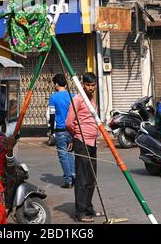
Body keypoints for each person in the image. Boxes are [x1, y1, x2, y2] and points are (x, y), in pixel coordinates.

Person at [66, 72, 103, 223]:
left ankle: (88, 207)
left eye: (93, 85)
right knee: (82, 179)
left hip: (93, 142)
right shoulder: (77, 99)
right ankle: (80, 212)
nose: (91, 88)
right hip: (81, 142)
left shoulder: (92, 99)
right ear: (82, 85)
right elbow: (68, 123)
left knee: (92, 178)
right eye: (88, 85)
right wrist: (76, 135)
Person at [48, 73, 75, 188]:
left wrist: (51, 131)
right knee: (71, 153)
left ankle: (68, 180)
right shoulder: (73, 96)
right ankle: (74, 175)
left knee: (63, 155)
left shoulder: (53, 97)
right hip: (72, 129)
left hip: (60, 130)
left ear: (57, 84)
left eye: (54, 83)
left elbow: (52, 115)